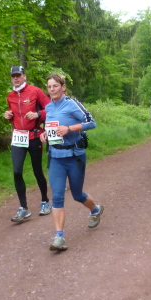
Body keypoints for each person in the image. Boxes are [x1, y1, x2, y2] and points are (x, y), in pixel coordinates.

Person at [40, 73, 102, 252]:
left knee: (77, 194)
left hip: (74, 156)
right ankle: (59, 237)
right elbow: (49, 128)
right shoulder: (48, 107)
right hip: (55, 157)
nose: (52, 89)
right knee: (57, 196)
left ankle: (95, 210)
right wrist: (45, 134)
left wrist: (69, 128)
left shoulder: (72, 104)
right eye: (49, 87)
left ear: (63, 87)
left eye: (55, 86)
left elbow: (91, 122)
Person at [4, 65, 51, 222]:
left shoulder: (35, 91)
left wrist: (38, 114)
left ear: (24, 76)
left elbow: (50, 109)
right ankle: (23, 208)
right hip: (18, 138)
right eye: (13, 76)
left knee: (37, 170)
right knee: (17, 171)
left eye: (19, 75)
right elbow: (15, 116)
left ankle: (45, 201)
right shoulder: (10, 96)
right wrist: (9, 116)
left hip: (34, 136)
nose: (16, 78)